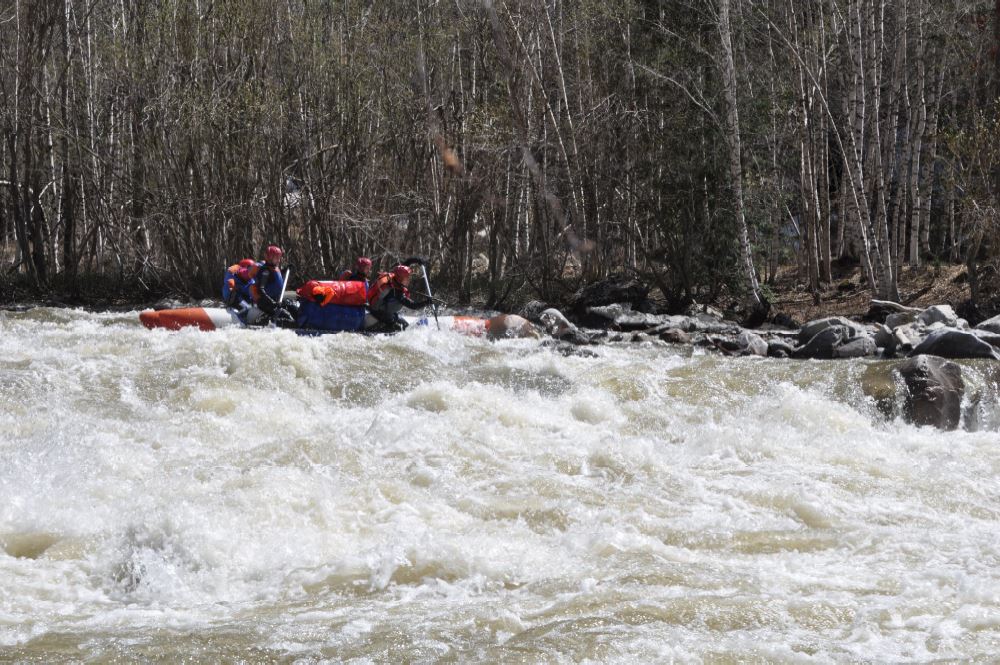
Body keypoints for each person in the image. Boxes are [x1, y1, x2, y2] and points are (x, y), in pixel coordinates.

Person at [366, 264, 430, 330]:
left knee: (405, 325)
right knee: (402, 328)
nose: (409, 279)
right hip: (382, 315)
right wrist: (427, 302)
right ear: (400, 278)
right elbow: (412, 305)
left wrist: (414, 260)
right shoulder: (395, 291)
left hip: (384, 312)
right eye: (407, 278)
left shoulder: (394, 282)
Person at [251, 245, 286, 315]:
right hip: (266, 303)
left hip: (275, 300)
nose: (279, 260)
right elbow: (261, 289)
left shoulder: (272, 268)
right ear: (269, 258)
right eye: (276, 258)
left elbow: (274, 278)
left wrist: (285, 270)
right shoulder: (265, 271)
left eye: (279, 258)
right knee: (287, 316)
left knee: (291, 307)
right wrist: (272, 302)